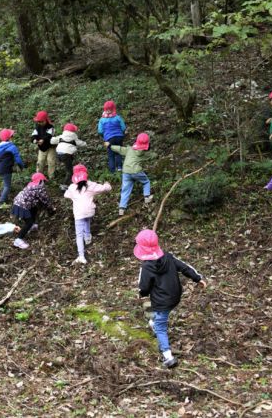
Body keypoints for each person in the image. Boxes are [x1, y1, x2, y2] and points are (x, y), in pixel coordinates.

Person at [136, 229, 206, 368]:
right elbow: (184, 267)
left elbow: (143, 286)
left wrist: (142, 294)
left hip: (162, 302)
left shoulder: (146, 267)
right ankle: (153, 321)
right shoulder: (168, 257)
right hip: (175, 296)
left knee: (160, 328)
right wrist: (198, 279)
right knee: (156, 310)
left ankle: (168, 356)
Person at [64, 164, 111, 264]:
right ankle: (88, 237)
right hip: (90, 212)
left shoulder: (72, 187)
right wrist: (107, 185)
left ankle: (81, 256)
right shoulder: (91, 185)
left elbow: (66, 195)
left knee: (78, 234)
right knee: (87, 219)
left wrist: (74, 196)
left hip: (79, 214)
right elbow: (104, 188)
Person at [106, 133, 156, 216]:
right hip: (137, 171)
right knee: (146, 182)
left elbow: (120, 149)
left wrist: (110, 146)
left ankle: (121, 208)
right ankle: (147, 197)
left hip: (126, 171)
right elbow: (153, 155)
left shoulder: (129, 149)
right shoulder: (145, 154)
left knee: (125, 189)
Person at [11, 172, 56, 249]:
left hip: (18, 203)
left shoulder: (30, 185)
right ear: (41, 181)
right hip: (22, 206)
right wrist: (51, 208)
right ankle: (18, 240)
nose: (44, 183)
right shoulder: (39, 188)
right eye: (43, 181)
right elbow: (45, 200)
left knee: (34, 208)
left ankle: (32, 226)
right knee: (29, 222)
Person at [0, 128, 25, 209]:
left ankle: (5, 199)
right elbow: (18, 158)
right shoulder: (12, 147)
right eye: (12, 136)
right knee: (7, 186)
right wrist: (21, 166)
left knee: (5, 183)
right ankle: (1, 202)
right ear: (10, 137)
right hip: (6, 168)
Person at [51, 123, 87, 191]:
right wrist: (85, 143)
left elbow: (52, 141)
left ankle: (67, 178)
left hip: (59, 154)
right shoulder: (74, 138)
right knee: (69, 171)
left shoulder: (61, 137)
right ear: (73, 131)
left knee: (69, 163)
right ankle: (65, 185)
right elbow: (81, 143)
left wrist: (51, 138)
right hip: (67, 155)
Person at [98, 100, 127, 172]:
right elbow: (123, 128)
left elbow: (100, 131)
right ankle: (120, 167)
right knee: (119, 152)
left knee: (111, 155)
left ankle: (112, 171)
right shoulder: (118, 117)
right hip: (119, 137)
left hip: (108, 139)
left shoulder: (102, 120)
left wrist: (104, 136)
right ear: (114, 108)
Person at [31, 110, 57, 179]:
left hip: (50, 147)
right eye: (38, 122)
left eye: (41, 121)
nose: (40, 123)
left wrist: (43, 140)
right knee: (40, 161)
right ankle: (39, 176)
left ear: (46, 120)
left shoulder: (50, 127)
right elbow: (34, 135)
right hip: (41, 148)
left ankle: (51, 176)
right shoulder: (37, 127)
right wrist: (35, 140)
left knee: (51, 160)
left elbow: (49, 135)